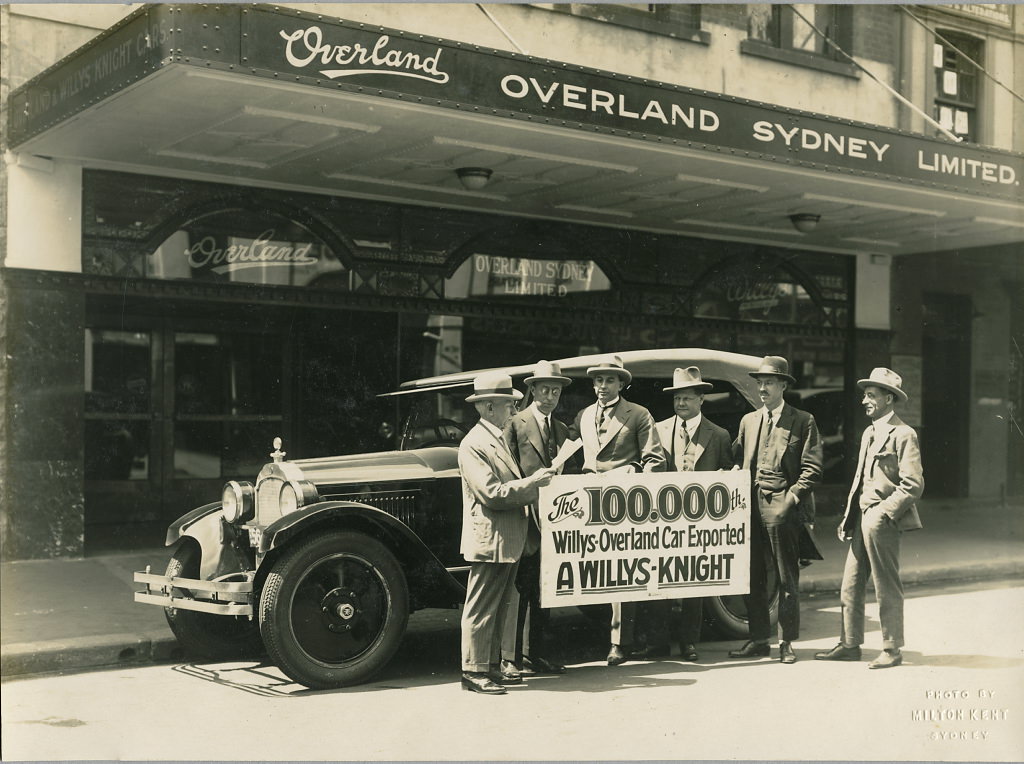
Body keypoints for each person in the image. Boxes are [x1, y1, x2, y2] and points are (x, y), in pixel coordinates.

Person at [815, 367, 923, 669]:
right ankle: (850, 644)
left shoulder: (903, 434)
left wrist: (885, 513)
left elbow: (913, 484)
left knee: (886, 585)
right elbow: (860, 479)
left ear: (889, 398)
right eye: (865, 394)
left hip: (881, 519)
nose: (865, 400)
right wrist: (850, 516)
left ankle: (892, 648)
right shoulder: (870, 431)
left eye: (872, 395)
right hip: (862, 517)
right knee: (850, 583)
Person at [458, 371, 556, 695]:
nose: (514, 412)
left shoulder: (492, 438)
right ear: (488, 408)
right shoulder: (474, 443)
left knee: (498, 605)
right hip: (492, 537)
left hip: (504, 537)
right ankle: (473, 671)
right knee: (483, 605)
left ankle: (488, 666)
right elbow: (491, 493)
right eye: (508, 406)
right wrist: (533, 484)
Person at [571, 354, 666, 666]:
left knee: (621, 573)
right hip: (587, 503)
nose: (602, 386)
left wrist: (634, 479)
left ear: (621, 383)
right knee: (591, 571)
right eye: (598, 380)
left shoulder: (638, 414)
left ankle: (619, 643)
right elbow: (568, 454)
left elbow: (655, 459)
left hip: (624, 504)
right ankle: (600, 635)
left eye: (609, 380)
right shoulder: (583, 416)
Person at [636, 366, 734, 662]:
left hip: (700, 523)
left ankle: (690, 642)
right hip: (663, 519)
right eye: (677, 398)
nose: (681, 404)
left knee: (695, 581)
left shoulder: (718, 435)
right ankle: (657, 642)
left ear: (701, 399)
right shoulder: (659, 429)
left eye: (688, 398)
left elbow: (729, 476)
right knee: (659, 578)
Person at [728, 355, 822, 664]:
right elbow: (739, 459)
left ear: (783, 385)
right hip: (750, 504)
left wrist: (792, 499)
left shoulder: (803, 420)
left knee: (785, 577)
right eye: (760, 383)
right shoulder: (749, 420)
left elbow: (812, 469)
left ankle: (786, 641)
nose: (763, 389)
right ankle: (758, 639)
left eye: (769, 382)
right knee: (752, 573)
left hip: (782, 503)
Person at [500, 360, 573, 679]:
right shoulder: (515, 423)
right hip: (524, 516)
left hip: (553, 520)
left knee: (545, 588)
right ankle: (509, 657)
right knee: (519, 588)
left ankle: (535, 654)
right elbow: (506, 469)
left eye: (555, 390)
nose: (550, 395)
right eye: (544, 389)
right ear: (531, 390)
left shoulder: (561, 429)